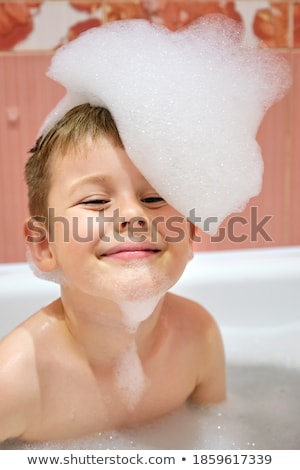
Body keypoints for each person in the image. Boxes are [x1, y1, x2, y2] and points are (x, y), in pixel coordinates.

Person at [0, 103, 225, 443]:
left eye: (153, 197)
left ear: (191, 234)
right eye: (94, 201)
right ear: (44, 245)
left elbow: (222, 437)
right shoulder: (16, 380)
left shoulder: (198, 336)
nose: (133, 214)